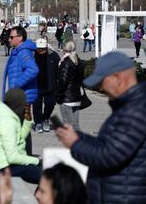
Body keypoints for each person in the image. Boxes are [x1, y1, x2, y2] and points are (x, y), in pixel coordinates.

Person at [55, 51, 146, 203]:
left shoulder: (135, 111)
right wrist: (79, 137)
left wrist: (75, 144)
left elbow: (108, 155)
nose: (102, 88)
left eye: (103, 81)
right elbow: (108, 145)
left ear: (118, 77)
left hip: (124, 197)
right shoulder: (129, 107)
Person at [0, 88, 41, 184]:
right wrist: (36, 161)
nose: (25, 106)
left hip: (8, 164)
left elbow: (19, 138)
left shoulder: (7, 115)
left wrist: (28, 121)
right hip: (7, 167)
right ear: (18, 104)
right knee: (50, 178)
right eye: (24, 103)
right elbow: (12, 157)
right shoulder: (7, 122)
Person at [1, 26, 39, 155]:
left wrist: (17, 85)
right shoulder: (18, 51)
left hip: (22, 98)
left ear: (20, 38)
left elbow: (33, 70)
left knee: (21, 129)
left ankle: (25, 158)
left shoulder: (23, 52)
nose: (9, 40)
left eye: (12, 37)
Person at [33, 38, 60, 133]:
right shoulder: (31, 56)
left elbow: (58, 72)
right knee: (36, 106)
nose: (40, 50)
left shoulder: (54, 56)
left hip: (50, 86)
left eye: (42, 48)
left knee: (50, 103)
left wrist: (58, 85)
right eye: (38, 48)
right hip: (36, 86)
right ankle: (38, 122)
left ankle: (46, 119)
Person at [57, 40, 82, 131]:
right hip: (76, 96)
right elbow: (81, 78)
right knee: (75, 124)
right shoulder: (78, 60)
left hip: (66, 98)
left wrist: (58, 94)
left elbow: (63, 81)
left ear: (64, 48)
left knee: (67, 124)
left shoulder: (65, 62)